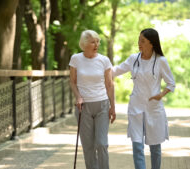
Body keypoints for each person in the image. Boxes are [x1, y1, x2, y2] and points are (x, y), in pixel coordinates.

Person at [112, 28, 175, 169]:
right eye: (139, 39)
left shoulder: (160, 61)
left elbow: (171, 83)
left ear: (151, 43)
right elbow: (115, 71)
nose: (139, 43)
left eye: (143, 41)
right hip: (136, 107)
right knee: (137, 146)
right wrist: (98, 68)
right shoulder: (133, 59)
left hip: (154, 109)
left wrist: (161, 94)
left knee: (155, 148)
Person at [69, 30, 116, 169]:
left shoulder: (104, 60)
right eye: (93, 42)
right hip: (83, 107)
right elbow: (72, 81)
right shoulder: (76, 59)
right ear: (84, 44)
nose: (96, 44)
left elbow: (109, 84)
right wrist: (78, 97)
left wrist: (112, 107)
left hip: (102, 104)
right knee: (88, 146)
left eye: (98, 41)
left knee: (101, 143)